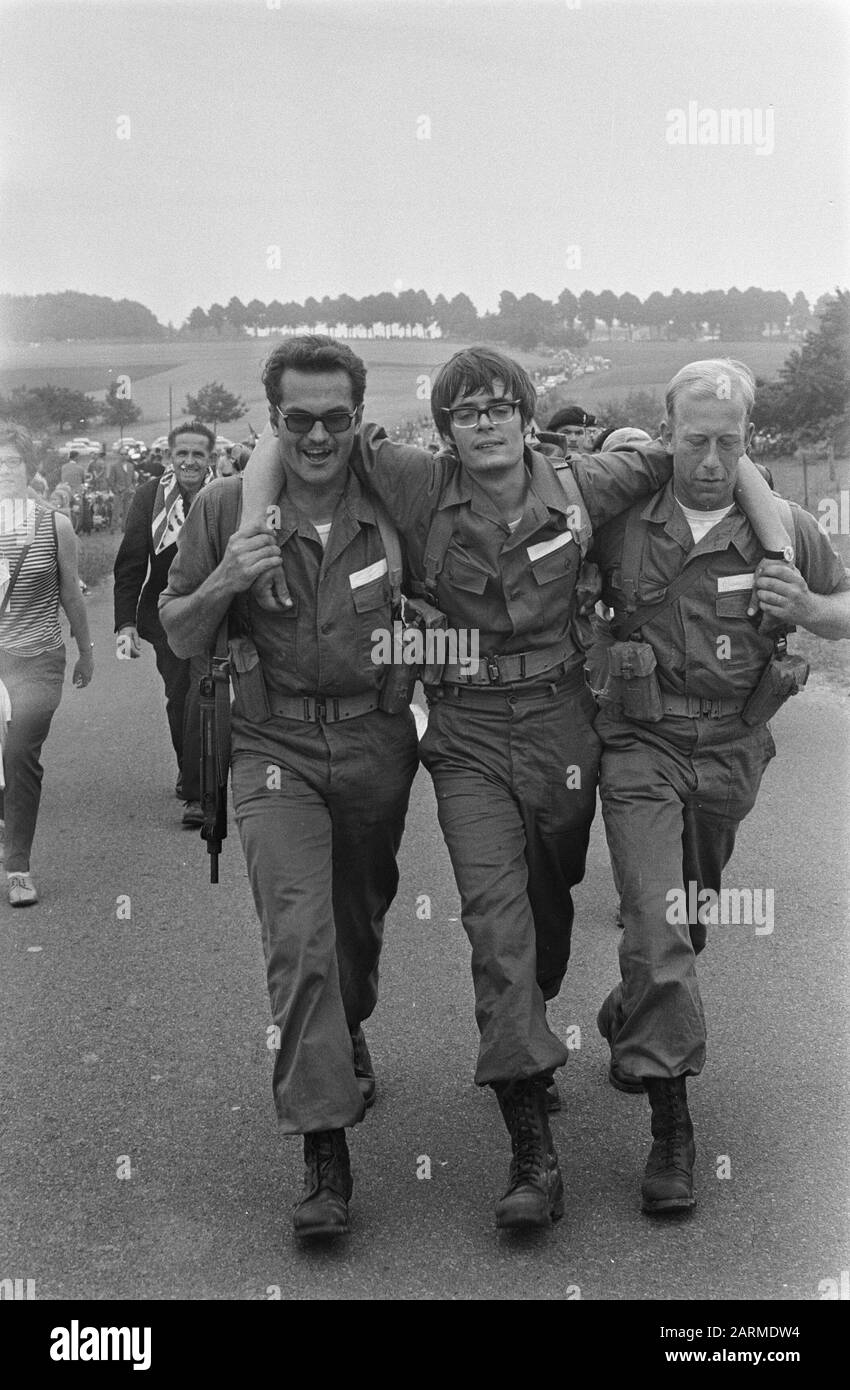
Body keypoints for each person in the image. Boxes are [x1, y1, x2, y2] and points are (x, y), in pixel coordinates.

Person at [239, 344, 787, 1231]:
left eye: (500, 407)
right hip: (465, 736)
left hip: (565, 724)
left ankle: (558, 1021)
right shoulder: (417, 483)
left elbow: (714, 450)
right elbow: (291, 441)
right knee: (497, 927)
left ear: (527, 417)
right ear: (446, 429)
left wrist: (773, 552)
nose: (485, 423)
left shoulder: (585, 483)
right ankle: (531, 1141)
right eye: (466, 411)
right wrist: (247, 537)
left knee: (548, 906)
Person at [159, 337, 419, 1240]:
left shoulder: (393, 502)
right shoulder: (224, 505)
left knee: (356, 922)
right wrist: (229, 576)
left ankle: (348, 1023)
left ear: (358, 418)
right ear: (272, 421)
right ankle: (323, 1146)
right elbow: (182, 631)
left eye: (334, 418)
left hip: (377, 741)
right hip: (270, 748)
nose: (316, 436)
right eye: (297, 419)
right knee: (298, 939)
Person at [590, 359, 850, 1214]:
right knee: (658, 918)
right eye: (694, 439)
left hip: (733, 749)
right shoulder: (620, 520)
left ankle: (635, 1001)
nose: (708, 458)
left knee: (688, 921)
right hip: (640, 744)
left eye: (727, 443)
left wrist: (812, 610)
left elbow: (842, 602)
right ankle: (672, 1128)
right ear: (667, 432)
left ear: (748, 442)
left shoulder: (784, 526)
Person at [0, 420, 94, 906]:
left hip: (37, 656)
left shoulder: (52, 524)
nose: (4, 470)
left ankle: (17, 866)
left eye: (12, 461)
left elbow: (72, 593)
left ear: (29, 467)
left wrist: (87, 650)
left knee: (19, 754)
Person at [113, 423, 214, 826]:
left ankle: (197, 791)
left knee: (204, 695)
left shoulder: (225, 494)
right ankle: (190, 769)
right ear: (170, 457)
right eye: (182, 454)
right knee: (180, 695)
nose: (189, 461)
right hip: (165, 617)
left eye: (198, 454)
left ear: (210, 459)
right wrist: (125, 623)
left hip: (213, 613)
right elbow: (131, 561)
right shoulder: (149, 496)